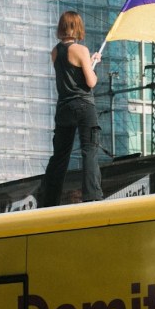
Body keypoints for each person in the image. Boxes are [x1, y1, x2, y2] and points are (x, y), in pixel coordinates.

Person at [40, 11, 103, 206]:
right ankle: (92, 196)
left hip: (64, 107)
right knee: (89, 151)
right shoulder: (81, 50)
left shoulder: (55, 51)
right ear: (77, 27)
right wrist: (93, 65)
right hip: (84, 105)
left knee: (60, 155)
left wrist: (90, 63)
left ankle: (48, 200)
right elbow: (90, 82)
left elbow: (70, 75)